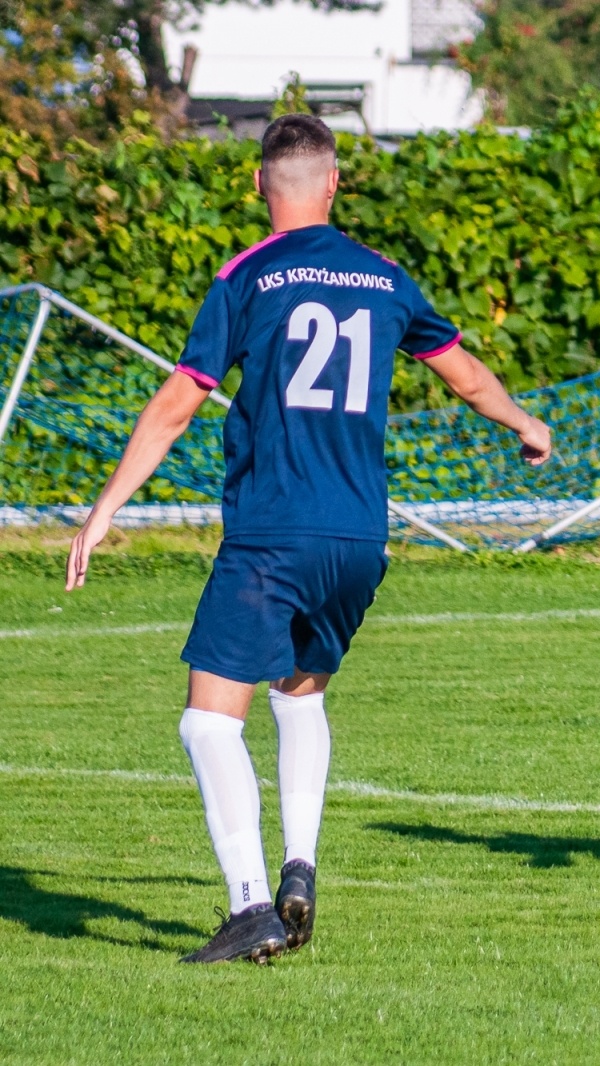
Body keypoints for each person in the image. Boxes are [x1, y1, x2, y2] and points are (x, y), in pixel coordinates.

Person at [65, 114, 553, 963]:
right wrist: (525, 420)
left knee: (208, 724)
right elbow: (466, 374)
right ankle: (300, 866)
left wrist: (107, 503)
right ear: (333, 184)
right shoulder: (386, 278)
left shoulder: (247, 277)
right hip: (358, 539)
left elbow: (183, 397)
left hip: (272, 530)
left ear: (260, 186)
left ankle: (252, 905)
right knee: (300, 696)